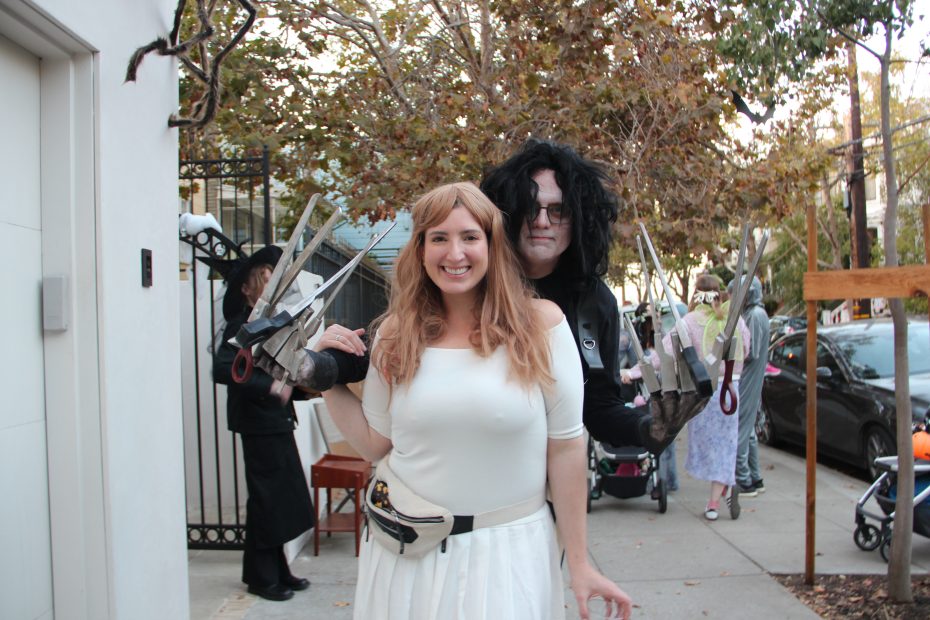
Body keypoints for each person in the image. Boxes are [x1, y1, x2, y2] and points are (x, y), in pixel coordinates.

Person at [317, 182, 631, 619]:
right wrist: (323, 377)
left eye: (469, 237)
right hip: (407, 558)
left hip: (509, 556)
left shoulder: (542, 327)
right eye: (439, 238)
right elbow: (374, 443)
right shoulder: (395, 334)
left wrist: (579, 564)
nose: (455, 253)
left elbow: (566, 448)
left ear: (492, 244)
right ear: (421, 249)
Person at [281, 139, 695, 457]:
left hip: (533, 503)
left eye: (559, 210)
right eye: (530, 207)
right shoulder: (462, 276)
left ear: (581, 218)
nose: (542, 222)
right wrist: (315, 367)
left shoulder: (593, 303)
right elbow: (389, 349)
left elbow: (598, 405)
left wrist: (648, 428)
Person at [213, 246, 315, 602]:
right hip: (257, 422)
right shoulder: (241, 324)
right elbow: (223, 368)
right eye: (266, 277)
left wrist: (295, 387)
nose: (272, 283)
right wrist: (270, 385)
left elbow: (276, 370)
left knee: (276, 500)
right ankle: (261, 577)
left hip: (274, 421)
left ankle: (275, 570)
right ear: (247, 287)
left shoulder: (265, 322)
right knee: (267, 500)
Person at [663, 274, 750, 521]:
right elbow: (747, 347)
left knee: (708, 446)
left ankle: (715, 499)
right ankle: (721, 489)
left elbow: (667, 352)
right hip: (730, 389)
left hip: (703, 390)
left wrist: (637, 370)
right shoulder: (732, 318)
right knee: (727, 443)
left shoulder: (689, 320)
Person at [731, 275, 770, 496]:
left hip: (748, 379)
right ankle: (755, 477)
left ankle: (744, 479)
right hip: (750, 378)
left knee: (741, 429)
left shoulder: (755, 315)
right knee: (749, 431)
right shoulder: (754, 314)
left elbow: (750, 352)